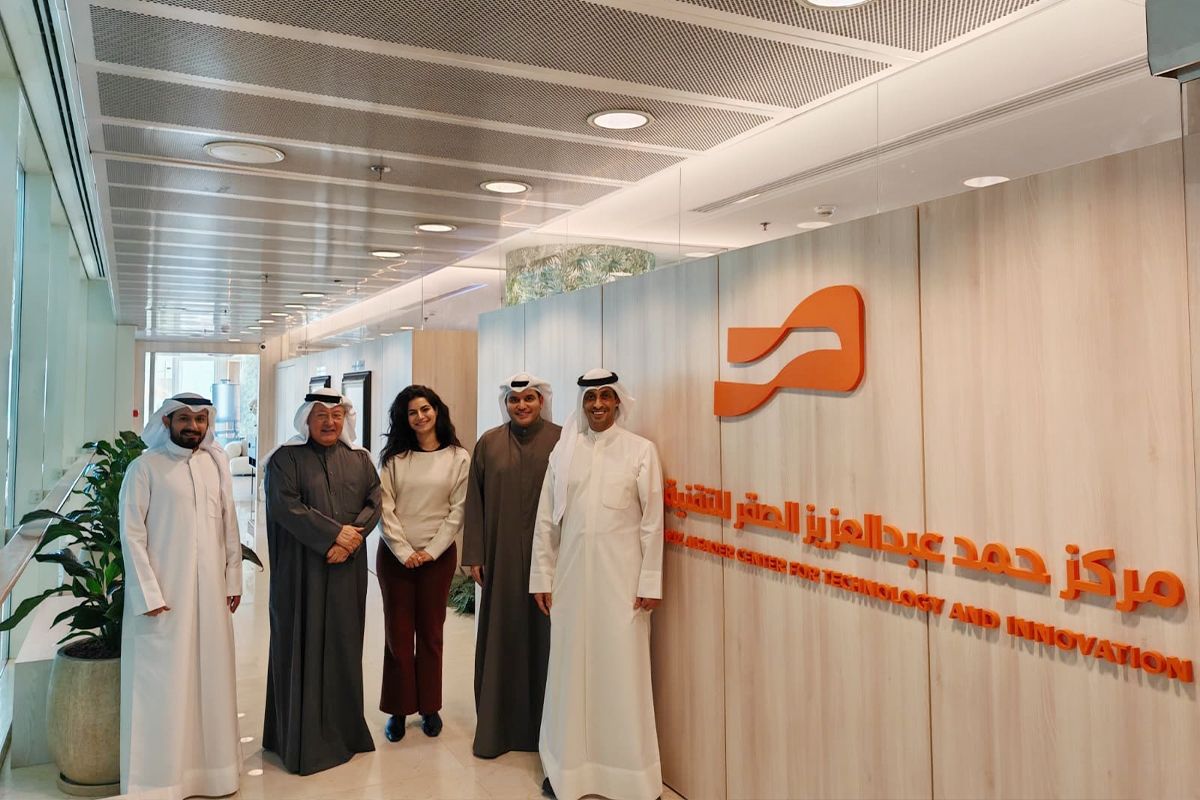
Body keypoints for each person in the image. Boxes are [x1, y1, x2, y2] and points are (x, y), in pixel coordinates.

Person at [530, 369, 665, 800]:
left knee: (623, 676)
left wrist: (650, 581)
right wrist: (542, 576)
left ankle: (631, 778)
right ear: (582, 404)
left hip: (623, 586)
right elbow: (546, 522)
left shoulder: (640, 451)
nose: (598, 405)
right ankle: (564, 770)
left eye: (606, 396)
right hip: (570, 583)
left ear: (618, 401)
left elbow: (653, 523)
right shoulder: (563, 454)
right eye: (591, 398)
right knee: (568, 676)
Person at [118, 392, 242, 798]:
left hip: (211, 597)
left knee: (212, 683)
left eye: (200, 419)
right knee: (162, 688)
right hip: (163, 600)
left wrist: (233, 581)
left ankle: (216, 774)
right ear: (167, 422)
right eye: (184, 419)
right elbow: (132, 534)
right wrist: (148, 593)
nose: (193, 426)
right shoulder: (144, 468)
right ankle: (157, 783)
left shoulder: (214, 464)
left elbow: (229, 526)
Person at [262, 388, 381, 775]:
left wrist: (351, 540)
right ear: (306, 420)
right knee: (301, 645)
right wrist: (334, 536)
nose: (330, 422)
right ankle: (301, 741)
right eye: (321, 415)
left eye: (336, 415)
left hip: (346, 570)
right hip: (301, 572)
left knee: (345, 646)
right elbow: (285, 506)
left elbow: (374, 501)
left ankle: (347, 733)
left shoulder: (360, 459)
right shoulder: (285, 459)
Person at [463, 373, 561, 759]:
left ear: (541, 401)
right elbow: (474, 501)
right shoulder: (488, 443)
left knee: (545, 638)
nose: (521, 406)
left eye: (529, 399)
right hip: (500, 557)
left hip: (549, 559)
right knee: (501, 635)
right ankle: (498, 729)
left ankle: (546, 730)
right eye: (514, 400)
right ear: (506, 404)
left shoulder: (561, 441)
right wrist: (475, 553)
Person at [376, 385, 470, 742]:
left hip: (438, 558)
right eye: (412, 412)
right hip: (394, 557)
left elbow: (458, 510)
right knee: (398, 635)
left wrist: (431, 551)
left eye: (425, 409)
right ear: (405, 418)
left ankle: (430, 707)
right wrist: (404, 551)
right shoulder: (393, 459)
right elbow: (385, 508)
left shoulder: (458, 457)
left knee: (431, 634)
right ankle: (398, 710)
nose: (420, 417)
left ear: (437, 410)